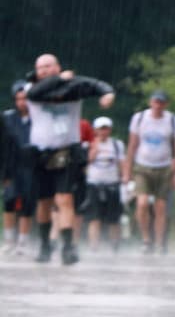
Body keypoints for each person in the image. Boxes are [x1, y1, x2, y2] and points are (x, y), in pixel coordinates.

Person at [25, 54, 114, 265]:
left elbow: (94, 84)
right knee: (44, 201)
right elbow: (39, 92)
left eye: (49, 66)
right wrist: (60, 79)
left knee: (65, 199)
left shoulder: (73, 86)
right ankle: (45, 244)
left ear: (58, 66)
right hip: (41, 152)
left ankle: (67, 246)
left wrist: (107, 94)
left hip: (66, 150)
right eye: (41, 68)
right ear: (36, 71)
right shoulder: (31, 89)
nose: (45, 70)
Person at [126, 90, 175, 254]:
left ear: (166, 104)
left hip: (164, 167)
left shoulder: (172, 120)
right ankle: (146, 239)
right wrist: (127, 170)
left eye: (161, 102)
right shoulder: (139, 119)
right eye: (155, 102)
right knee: (142, 203)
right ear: (150, 102)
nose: (158, 105)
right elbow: (132, 145)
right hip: (142, 165)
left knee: (161, 207)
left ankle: (159, 242)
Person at [83, 117, 127, 252]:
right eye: (100, 129)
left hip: (112, 183)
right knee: (94, 217)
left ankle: (115, 245)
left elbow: (122, 162)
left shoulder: (116, 144)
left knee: (114, 217)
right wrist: (93, 153)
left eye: (106, 128)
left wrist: (125, 176)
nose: (103, 132)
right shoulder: (88, 145)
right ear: (95, 130)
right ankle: (94, 246)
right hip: (94, 183)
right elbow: (84, 164)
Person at [2, 82, 34, 256]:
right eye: (19, 99)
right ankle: (8, 240)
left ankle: (23, 241)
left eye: (25, 99)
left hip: (31, 165)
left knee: (27, 203)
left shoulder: (38, 117)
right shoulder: (7, 118)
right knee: (9, 201)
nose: (22, 102)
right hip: (11, 166)